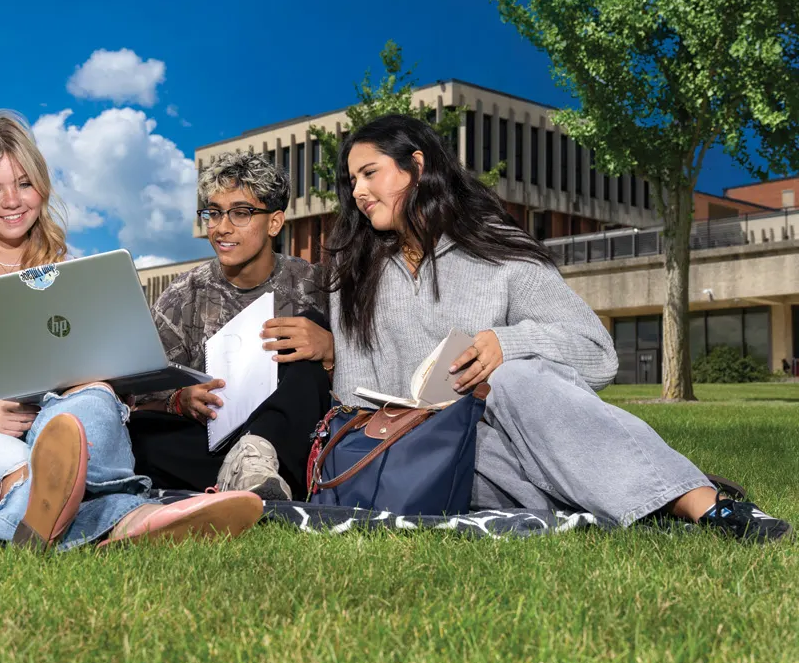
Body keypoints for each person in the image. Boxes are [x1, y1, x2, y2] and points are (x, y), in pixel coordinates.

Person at [323, 112, 788, 541]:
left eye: (370, 173)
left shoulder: (498, 251)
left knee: (516, 375)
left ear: (417, 166)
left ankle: (704, 505)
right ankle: (643, 489)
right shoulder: (354, 274)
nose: (359, 192)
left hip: (520, 434)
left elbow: (599, 354)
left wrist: (508, 343)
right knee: (498, 454)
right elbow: (351, 392)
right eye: (352, 181)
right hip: (432, 458)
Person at [0, 111, 264, 548]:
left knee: (93, 396)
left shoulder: (66, 272)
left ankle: (58, 511)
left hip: (55, 424)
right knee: (13, 467)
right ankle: (128, 517)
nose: (12, 200)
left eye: (24, 184)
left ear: (42, 186)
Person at [129, 152, 336, 498]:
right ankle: (247, 480)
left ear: (274, 222)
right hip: (214, 441)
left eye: (241, 213)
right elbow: (141, 394)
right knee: (138, 434)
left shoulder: (315, 286)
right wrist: (179, 400)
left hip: (292, 438)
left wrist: (329, 348)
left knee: (307, 326)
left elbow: (359, 376)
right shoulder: (183, 295)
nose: (221, 227)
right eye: (213, 212)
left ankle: (256, 462)